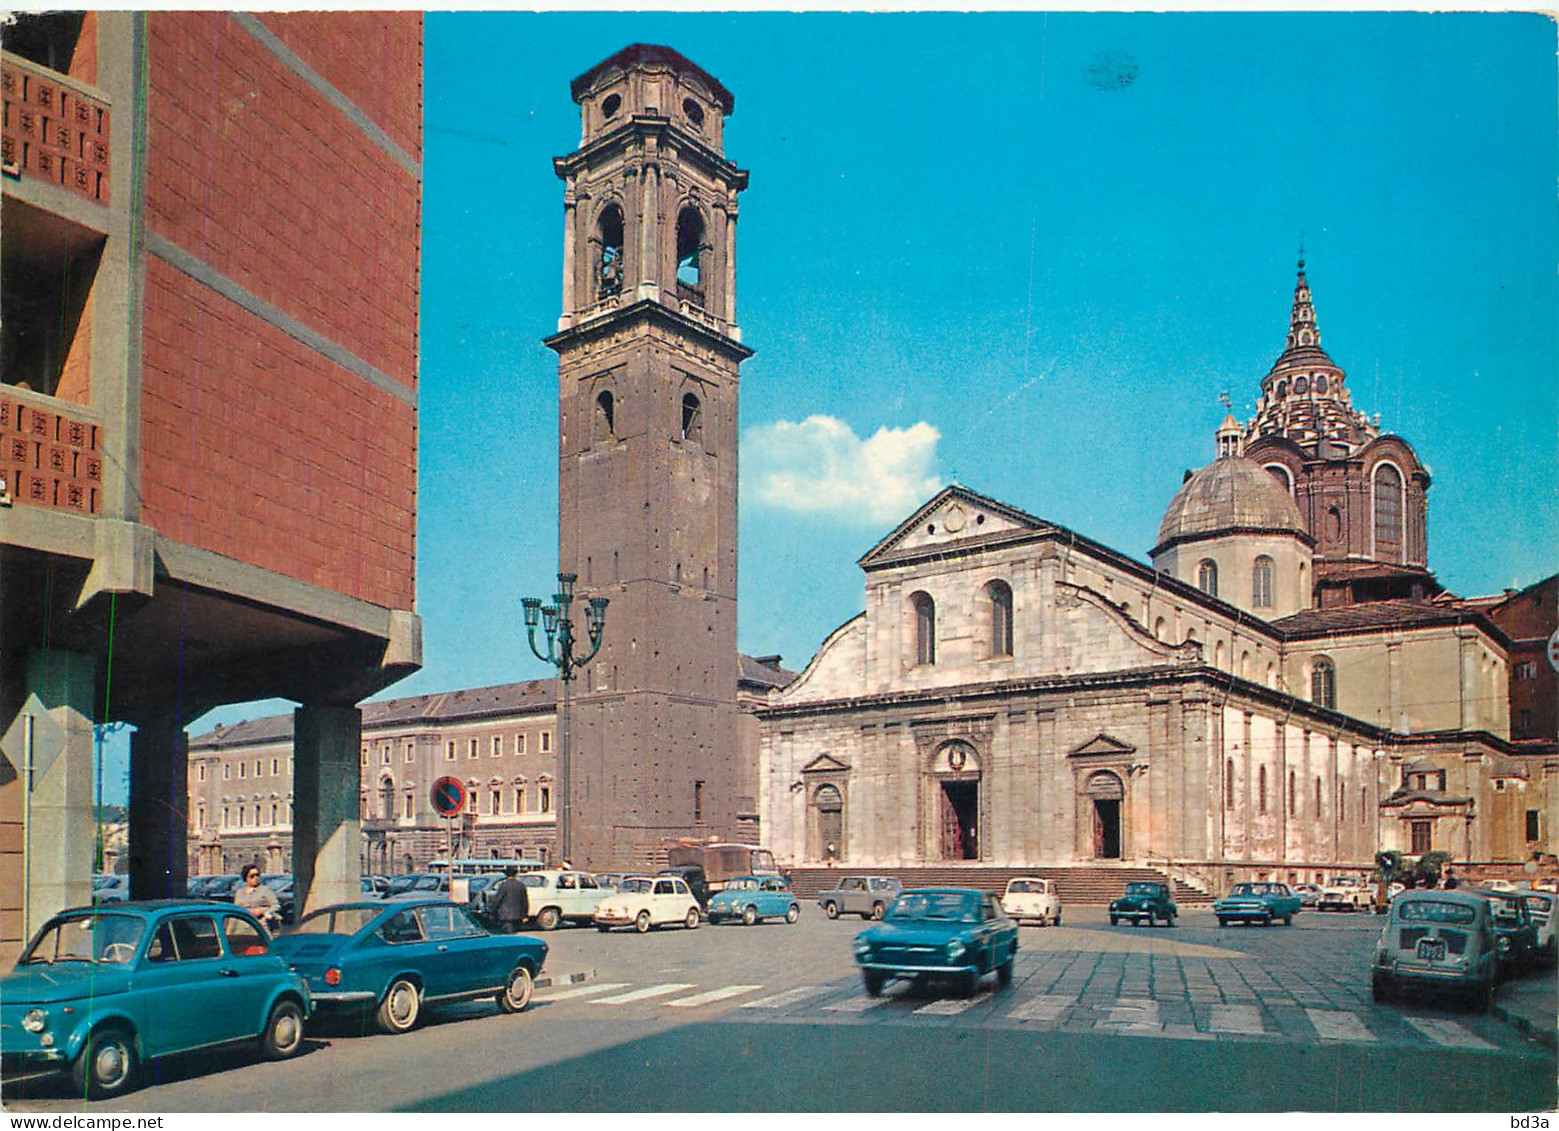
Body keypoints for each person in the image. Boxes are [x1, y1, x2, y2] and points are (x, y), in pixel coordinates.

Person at [234, 865, 281, 929]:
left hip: (261, 926)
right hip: (244, 926)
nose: (255, 878)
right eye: (252, 876)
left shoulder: (265, 890)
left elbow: (276, 905)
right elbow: (236, 909)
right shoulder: (239, 893)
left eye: (257, 875)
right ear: (246, 877)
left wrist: (265, 912)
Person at [488, 865, 531, 933]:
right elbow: (525, 901)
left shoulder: (503, 885)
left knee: (507, 934)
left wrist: (491, 911)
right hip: (517, 915)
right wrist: (524, 915)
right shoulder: (521, 885)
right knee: (514, 933)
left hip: (505, 915)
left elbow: (497, 900)